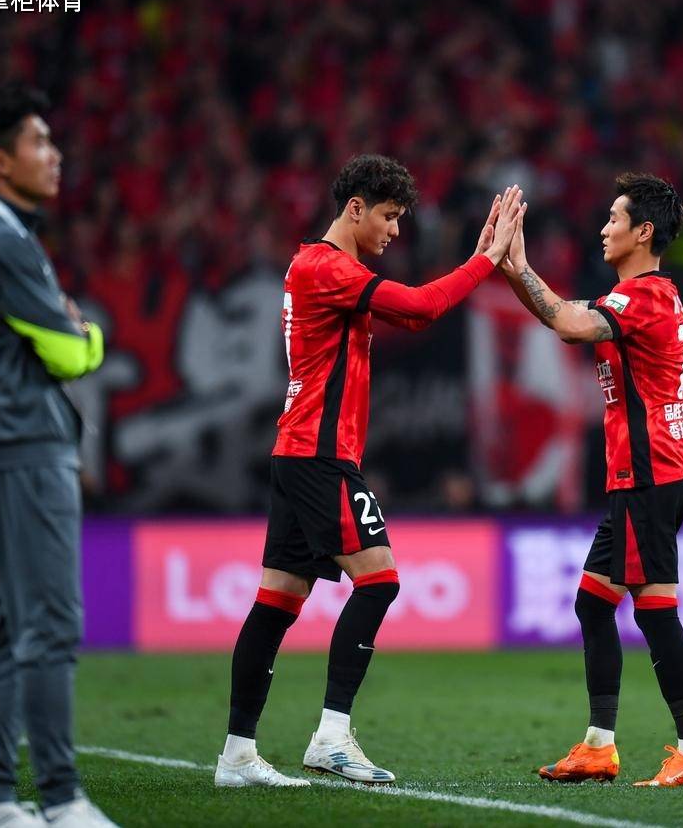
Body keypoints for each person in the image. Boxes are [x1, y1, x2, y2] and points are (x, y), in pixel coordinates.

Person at [215, 155, 524, 787]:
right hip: (318, 456)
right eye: (388, 216)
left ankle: (237, 755)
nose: (395, 231)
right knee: (378, 580)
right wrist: (486, 259)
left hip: (300, 451)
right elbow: (419, 308)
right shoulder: (325, 266)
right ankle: (331, 736)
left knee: (276, 603)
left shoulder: (324, 267)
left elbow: (408, 313)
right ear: (355, 208)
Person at [501, 173, 683, 787]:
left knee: (655, 611)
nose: (603, 229)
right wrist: (514, 268)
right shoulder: (638, 297)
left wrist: (517, 265)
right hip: (645, 475)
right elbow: (563, 316)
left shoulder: (644, 297)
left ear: (643, 232)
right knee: (593, 605)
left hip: (650, 474)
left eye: (614, 218)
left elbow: (569, 324)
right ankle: (599, 745)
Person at [0, 83, 116, 827]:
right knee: (48, 626)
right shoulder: (1, 242)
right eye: (39, 141)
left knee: (8, 627)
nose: (55, 154)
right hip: (24, 447)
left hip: (3, 445)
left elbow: (59, 342)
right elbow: (72, 353)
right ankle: (61, 799)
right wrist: (88, 336)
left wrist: (71, 333)